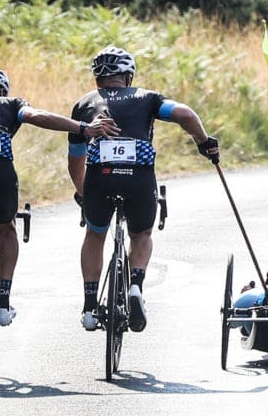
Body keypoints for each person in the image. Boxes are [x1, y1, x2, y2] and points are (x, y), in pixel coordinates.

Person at [0, 64, 113, 349]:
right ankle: (3, 304)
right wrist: (82, 128)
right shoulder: (9, 103)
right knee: (6, 227)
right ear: (1, 90)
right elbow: (37, 116)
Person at [67, 45, 219, 333]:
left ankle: (89, 306)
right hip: (138, 178)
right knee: (141, 234)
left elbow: (75, 162)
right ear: (129, 76)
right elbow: (185, 113)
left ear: (97, 79)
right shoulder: (147, 98)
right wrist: (203, 141)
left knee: (95, 233)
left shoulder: (84, 104)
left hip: (100, 177)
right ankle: (135, 286)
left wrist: (84, 195)